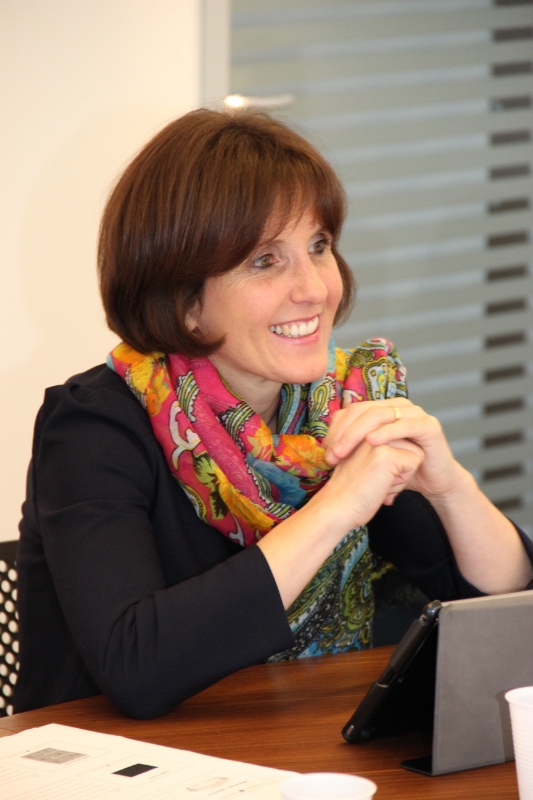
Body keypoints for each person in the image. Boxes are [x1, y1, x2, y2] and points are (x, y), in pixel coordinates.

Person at [15, 109, 533, 719]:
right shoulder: (95, 426)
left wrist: (449, 487)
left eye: (319, 246)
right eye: (265, 260)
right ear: (184, 302)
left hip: (293, 744)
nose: (314, 288)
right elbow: (135, 667)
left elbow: (501, 610)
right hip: (111, 758)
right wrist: (337, 506)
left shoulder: (337, 406)